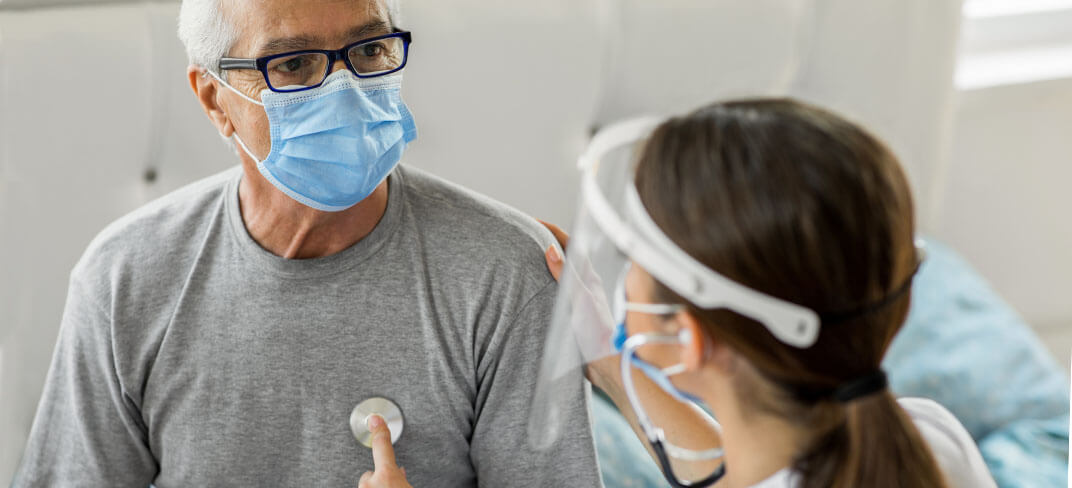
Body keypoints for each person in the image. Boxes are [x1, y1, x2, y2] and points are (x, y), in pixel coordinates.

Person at [12, 0, 600, 486]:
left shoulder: (507, 275)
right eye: (293, 64)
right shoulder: (124, 281)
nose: (344, 91)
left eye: (370, 51)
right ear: (215, 100)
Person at [361, 98, 998, 488]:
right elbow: (740, 471)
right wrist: (610, 365)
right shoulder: (926, 440)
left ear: (688, 339)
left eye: (634, 255)